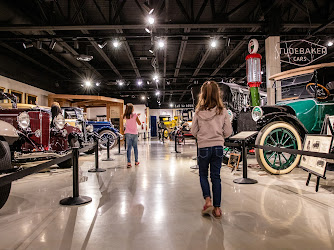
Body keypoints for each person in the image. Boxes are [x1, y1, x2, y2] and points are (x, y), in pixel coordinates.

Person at [191, 81, 233, 218]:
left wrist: (203, 136)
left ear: (202, 94)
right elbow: (228, 132)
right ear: (217, 94)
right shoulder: (223, 111)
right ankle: (217, 209)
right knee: (216, 177)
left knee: (203, 174)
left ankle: (207, 200)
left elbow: (193, 131)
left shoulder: (198, 112)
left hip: (203, 147)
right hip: (218, 147)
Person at [123, 103, 141, 168]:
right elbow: (139, 123)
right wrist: (138, 117)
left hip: (127, 133)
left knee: (129, 148)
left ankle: (129, 162)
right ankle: (136, 161)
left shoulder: (125, 116)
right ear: (132, 109)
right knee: (135, 148)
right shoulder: (135, 115)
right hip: (134, 133)